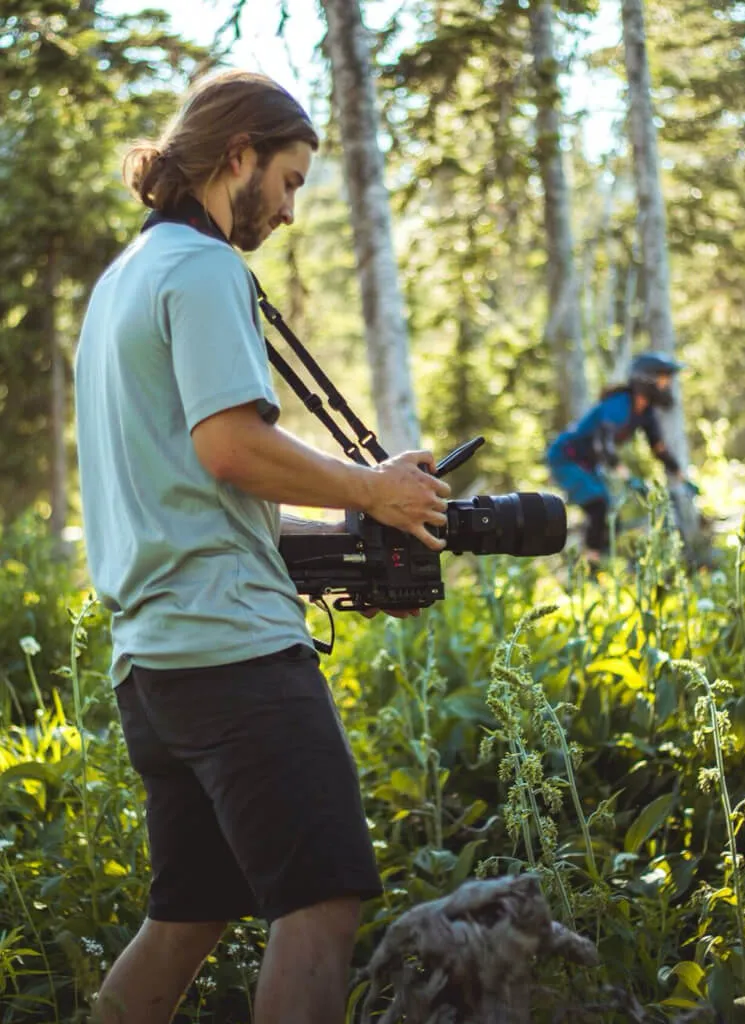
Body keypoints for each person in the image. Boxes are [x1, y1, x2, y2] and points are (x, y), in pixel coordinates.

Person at [74, 69, 452, 1024]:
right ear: (235, 155)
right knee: (321, 904)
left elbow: (181, 488)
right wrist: (373, 487)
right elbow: (230, 446)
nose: (287, 212)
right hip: (231, 653)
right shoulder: (202, 271)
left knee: (188, 916)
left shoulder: (122, 281)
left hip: (154, 665)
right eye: (286, 182)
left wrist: (351, 523)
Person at [546, 353, 685, 560]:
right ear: (647, 379)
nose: (667, 384)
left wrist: (680, 474)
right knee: (598, 505)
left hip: (587, 463)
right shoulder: (619, 403)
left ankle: (591, 558)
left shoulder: (645, 413)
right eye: (663, 378)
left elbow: (658, 448)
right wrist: (627, 477)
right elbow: (603, 443)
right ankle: (587, 568)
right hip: (566, 457)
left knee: (611, 519)